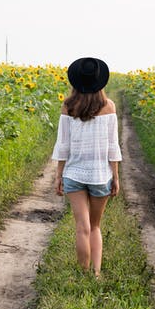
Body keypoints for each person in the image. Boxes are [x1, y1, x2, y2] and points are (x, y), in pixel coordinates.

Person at [52, 57, 122, 278]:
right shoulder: (109, 106)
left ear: (76, 81)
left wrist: (58, 175)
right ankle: (96, 274)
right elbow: (113, 146)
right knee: (95, 227)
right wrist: (116, 177)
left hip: (74, 174)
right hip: (101, 175)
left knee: (81, 227)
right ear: (100, 81)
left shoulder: (68, 106)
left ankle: (83, 274)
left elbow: (63, 145)